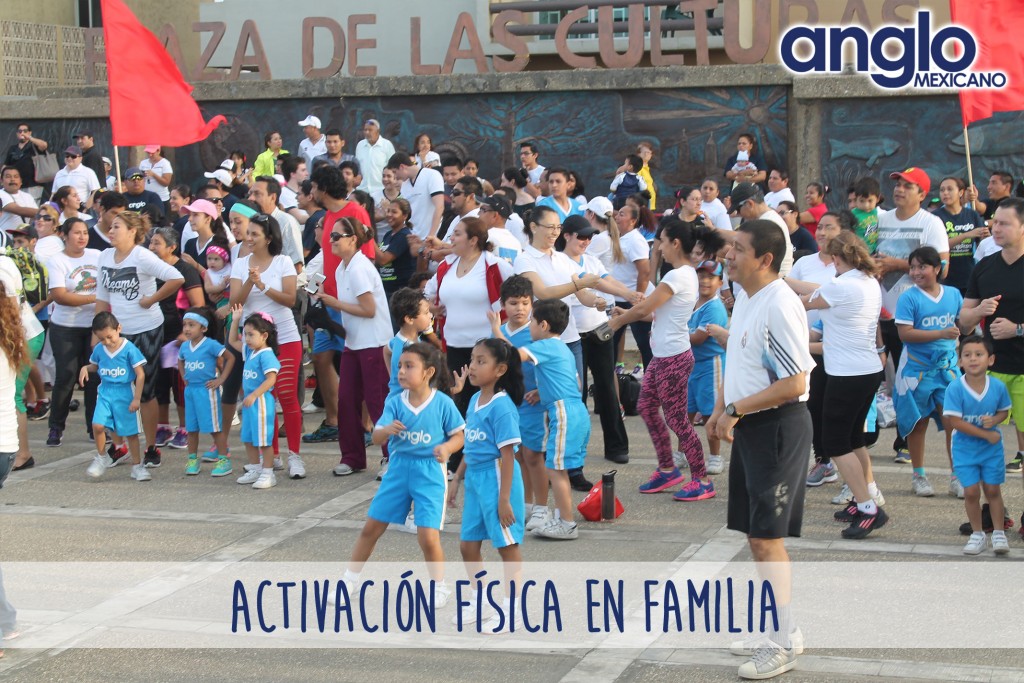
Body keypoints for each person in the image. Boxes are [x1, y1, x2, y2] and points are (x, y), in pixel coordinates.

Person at [706, 219, 813, 680]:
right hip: (751, 423)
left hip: (777, 429)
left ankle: (782, 641)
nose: (728, 255)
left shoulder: (779, 304)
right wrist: (720, 408)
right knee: (755, 536)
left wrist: (734, 408)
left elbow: (795, 383)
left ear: (765, 259)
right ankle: (776, 626)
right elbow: (742, 359)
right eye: (731, 246)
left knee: (768, 539)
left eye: (739, 249)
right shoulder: (747, 297)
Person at [341, 342, 465, 606]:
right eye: (399, 365)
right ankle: (349, 580)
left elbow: (459, 436)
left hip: (429, 473)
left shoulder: (442, 402)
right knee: (372, 527)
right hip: (398, 469)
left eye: (409, 366)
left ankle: (439, 586)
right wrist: (385, 431)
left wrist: (446, 448)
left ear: (428, 372)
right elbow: (376, 436)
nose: (401, 371)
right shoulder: (395, 402)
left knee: (427, 535)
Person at [609, 217, 716, 501]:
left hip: (673, 358)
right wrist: (626, 314)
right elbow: (653, 312)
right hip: (665, 355)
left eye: (662, 243)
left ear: (675, 243)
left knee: (678, 420)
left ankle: (702, 479)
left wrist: (617, 323)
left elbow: (646, 306)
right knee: (645, 406)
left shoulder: (677, 276)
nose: (659, 248)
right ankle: (668, 468)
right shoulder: (684, 274)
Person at [797, 232, 888, 535]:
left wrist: (773, 287)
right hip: (867, 370)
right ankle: (864, 498)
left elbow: (804, 302)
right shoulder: (867, 281)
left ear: (836, 258)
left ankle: (867, 508)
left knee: (835, 442)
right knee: (853, 439)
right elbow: (815, 291)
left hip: (847, 375)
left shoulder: (839, 285)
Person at [447, 337, 526, 629]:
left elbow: (508, 456)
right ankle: (480, 601)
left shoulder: (502, 407)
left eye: (482, 361)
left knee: (507, 547)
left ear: (501, 369)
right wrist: (457, 478)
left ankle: (513, 608)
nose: (474, 366)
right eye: (473, 360)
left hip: (497, 479)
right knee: (468, 546)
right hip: (476, 481)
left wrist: (504, 499)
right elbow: (471, 444)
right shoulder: (473, 400)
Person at [95, 212, 185, 468]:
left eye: (117, 227)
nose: (111, 231)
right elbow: (102, 297)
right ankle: (120, 445)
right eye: (110, 226)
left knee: (145, 392)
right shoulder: (104, 256)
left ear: (133, 231)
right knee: (115, 388)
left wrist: (151, 298)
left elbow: (176, 277)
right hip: (116, 333)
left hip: (146, 329)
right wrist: (97, 333)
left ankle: (150, 447)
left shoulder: (142, 255)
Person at [875, 167, 950, 463]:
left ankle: (904, 442)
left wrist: (897, 264)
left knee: (910, 382)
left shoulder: (931, 224)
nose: (900, 190)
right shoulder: (879, 221)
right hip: (878, 315)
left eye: (908, 186)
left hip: (913, 317)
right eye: (898, 184)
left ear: (922, 194)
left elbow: (943, 269)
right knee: (877, 379)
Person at [424, 218, 514, 461]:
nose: (451, 239)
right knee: (457, 400)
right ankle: (457, 457)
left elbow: (517, 293)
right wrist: (432, 310)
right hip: (453, 345)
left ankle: (489, 452)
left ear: (474, 240)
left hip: (486, 348)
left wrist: (506, 326)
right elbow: (428, 294)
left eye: (457, 234)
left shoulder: (495, 265)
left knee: (485, 401)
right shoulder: (446, 265)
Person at [504, 299, 590, 541]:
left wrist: (493, 330)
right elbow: (576, 383)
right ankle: (562, 519)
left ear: (542, 325)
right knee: (558, 467)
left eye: (531, 321)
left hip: (563, 413)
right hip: (576, 410)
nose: (529, 325)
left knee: (555, 469)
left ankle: (567, 524)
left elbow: (512, 357)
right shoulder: (562, 348)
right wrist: (542, 392)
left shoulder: (544, 345)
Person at [229, 212, 306, 479]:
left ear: (268, 238)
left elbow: (289, 299)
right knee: (264, 399)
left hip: (285, 336)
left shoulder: (283, 261)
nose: (248, 238)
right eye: (247, 233)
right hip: (254, 342)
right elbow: (234, 302)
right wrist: (251, 280)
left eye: (254, 234)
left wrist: (262, 285)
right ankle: (268, 458)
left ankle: (295, 456)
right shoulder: (240, 264)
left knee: (286, 395)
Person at [316, 217, 393, 478]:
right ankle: (352, 457)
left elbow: (369, 310)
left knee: (378, 401)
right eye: (330, 236)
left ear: (353, 239)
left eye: (337, 236)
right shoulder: (342, 268)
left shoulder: (359, 267)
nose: (332, 240)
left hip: (374, 342)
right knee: (347, 399)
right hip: (354, 342)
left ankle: (391, 457)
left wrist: (335, 304)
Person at [558, 215, 633, 470]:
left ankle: (617, 447)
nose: (586, 241)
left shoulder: (591, 260)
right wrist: (613, 297)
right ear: (566, 235)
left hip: (598, 332)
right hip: (571, 336)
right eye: (581, 236)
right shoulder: (559, 262)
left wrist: (630, 293)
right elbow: (589, 290)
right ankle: (574, 452)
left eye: (589, 236)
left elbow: (606, 281)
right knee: (575, 395)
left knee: (607, 389)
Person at [958, 197, 1024, 474]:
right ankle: (991, 511)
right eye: (994, 222)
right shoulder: (984, 267)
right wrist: (979, 312)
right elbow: (963, 322)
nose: (996, 228)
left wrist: (1017, 329)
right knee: (980, 438)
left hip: (1023, 370)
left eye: (1004, 223)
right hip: (990, 369)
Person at [893, 246, 963, 498]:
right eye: (912, 267)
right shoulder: (908, 297)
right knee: (918, 423)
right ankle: (919, 475)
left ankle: (957, 477)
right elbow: (905, 334)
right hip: (916, 371)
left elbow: (963, 322)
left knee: (953, 422)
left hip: (947, 371)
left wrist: (979, 311)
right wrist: (942, 333)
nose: (916, 272)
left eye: (922, 266)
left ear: (937, 268)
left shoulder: (954, 294)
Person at [515, 205, 603, 385]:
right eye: (550, 227)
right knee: (549, 393)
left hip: (571, 338)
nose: (555, 232)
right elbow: (543, 293)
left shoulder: (562, 259)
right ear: (533, 227)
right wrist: (580, 283)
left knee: (576, 391)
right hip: (544, 340)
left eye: (558, 227)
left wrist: (596, 301)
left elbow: (582, 295)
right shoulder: (524, 260)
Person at [784, 213, 841, 488]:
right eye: (819, 227)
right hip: (806, 343)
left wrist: (810, 292)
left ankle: (840, 460)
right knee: (813, 405)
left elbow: (832, 293)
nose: (821, 232)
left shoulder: (845, 267)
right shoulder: (805, 263)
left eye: (829, 227)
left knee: (835, 407)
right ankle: (823, 461)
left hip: (838, 346)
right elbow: (785, 289)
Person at [943, 336, 1011, 555]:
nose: (973, 359)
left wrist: (996, 420)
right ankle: (977, 534)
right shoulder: (955, 388)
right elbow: (955, 422)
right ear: (960, 361)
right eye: (967, 355)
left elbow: (1004, 411)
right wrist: (985, 433)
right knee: (971, 492)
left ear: (990, 360)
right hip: (964, 449)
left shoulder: (998, 386)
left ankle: (999, 533)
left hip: (991, 450)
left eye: (979, 354)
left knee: (992, 489)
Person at [45, 218, 101, 447]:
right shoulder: (57, 260)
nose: (82, 237)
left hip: (94, 328)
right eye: (76, 233)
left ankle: (94, 428)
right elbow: (60, 296)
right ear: (65, 236)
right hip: (65, 327)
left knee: (93, 378)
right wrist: (94, 298)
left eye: (84, 233)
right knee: (66, 377)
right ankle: (56, 428)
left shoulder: (97, 255)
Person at [149, 226, 205, 451]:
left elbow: (199, 305)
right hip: (153, 334)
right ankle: (163, 426)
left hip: (178, 338)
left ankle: (184, 428)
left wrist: (187, 333)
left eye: (157, 243)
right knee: (158, 384)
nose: (152, 248)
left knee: (180, 385)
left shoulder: (184, 270)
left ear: (172, 247)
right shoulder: (148, 269)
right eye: (150, 243)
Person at [81, 311, 148, 482]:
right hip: (105, 392)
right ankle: (102, 457)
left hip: (125, 392)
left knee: (130, 433)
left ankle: (137, 466)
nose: (107, 342)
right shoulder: (99, 349)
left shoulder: (129, 349)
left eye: (109, 337)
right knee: (97, 425)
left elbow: (140, 374)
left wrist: (137, 398)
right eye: (101, 338)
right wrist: (85, 368)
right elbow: (94, 366)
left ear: (119, 328)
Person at [227, 306, 281, 489]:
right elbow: (232, 340)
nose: (247, 339)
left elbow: (271, 379)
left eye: (251, 335)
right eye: (246, 334)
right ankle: (255, 469)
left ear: (264, 335)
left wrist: (255, 395)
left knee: (263, 440)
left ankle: (268, 473)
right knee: (248, 437)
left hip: (261, 403)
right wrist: (235, 320)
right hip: (250, 403)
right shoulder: (250, 351)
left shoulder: (266, 355)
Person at [177, 306, 233, 477]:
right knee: (191, 428)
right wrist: (183, 376)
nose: (187, 328)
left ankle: (224, 459)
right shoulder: (185, 347)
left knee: (215, 428)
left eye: (191, 325)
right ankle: (193, 459)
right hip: (191, 391)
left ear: (203, 328)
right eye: (185, 325)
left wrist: (221, 379)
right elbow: (180, 361)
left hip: (207, 391)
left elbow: (230, 358)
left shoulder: (211, 345)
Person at [687, 259, 729, 474]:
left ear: (720, 282)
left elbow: (698, 338)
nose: (704, 280)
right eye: (701, 275)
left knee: (709, 412)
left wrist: (671, 334)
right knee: (687, 412)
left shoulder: (714, 307)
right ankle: (685, 452)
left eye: (711, 277)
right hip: (692, 365)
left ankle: (715, 456)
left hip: (711, 365)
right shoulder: (694, 301)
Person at [605, 204, 653, 369]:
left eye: (622, 215)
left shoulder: (636, 240)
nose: (617, 217)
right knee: (610, 344)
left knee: (645, 345)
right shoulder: (619, 237)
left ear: (633, 221)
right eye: (618, 214)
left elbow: (645, 272)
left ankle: (650, 383)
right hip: (618, 298)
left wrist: (638, 297)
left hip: (632, 299)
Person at [934, 176, 987, 294]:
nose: (945, 193)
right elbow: (940, 246)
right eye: (942, 190)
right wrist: (966, 235)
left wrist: (985, 236)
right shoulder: (935, 217)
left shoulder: (972, 214)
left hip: (969, 276)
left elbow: (981, 244)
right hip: (945, 278)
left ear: (961, 192)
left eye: (949, 189)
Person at [386, 153, 444, 241]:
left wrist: (431, 236)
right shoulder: (404, 185)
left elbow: (439, 207)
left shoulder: (432, 175)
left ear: (402, 167)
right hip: (413, 239)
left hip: (431, 238)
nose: (395, 177)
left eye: (394, 172)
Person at [375, 197, 415, 298]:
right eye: (388, 211)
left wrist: (369, 239)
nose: (389, 215)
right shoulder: (388, 234)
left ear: (405, 215)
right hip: (387, 290)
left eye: (394, 212)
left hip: (399, 292)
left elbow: (384, 260)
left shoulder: (403, 235)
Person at [4, 123, 48, 199]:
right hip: (15, 185)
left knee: (31, 207)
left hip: (33, 185)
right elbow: (6, 164)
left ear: (30, 132)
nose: (22, 133)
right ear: (17, 133)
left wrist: (29, 138)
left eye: (25, 131)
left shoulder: (34, 146)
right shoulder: (12, 148)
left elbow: (44, 145)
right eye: (20, 131)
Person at [355, 119, 396, 194]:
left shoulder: (387, 145)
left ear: (378, 131)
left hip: (381, 190)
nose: (367, 132)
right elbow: (357, 167)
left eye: (370, 130)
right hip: (362, 190)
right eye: (365, 130)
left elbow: (393, 167)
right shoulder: (360, 145)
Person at [0, 166, 38, 233]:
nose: (12, 179)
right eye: (8, 176)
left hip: (24, 239)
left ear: (21, 181)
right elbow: (18, 210)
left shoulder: (28, 196)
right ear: (1, 181)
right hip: (5, 239)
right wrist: (47, 211)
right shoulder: (1, 194)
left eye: (16, 176)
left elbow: (35, 217)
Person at [850, 177, 882, 253]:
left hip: (874, 251)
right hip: (858, 252)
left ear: (877, 199)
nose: (866, 205)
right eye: (862, 201)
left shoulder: (879, 214)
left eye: (870, 201)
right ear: (856, 199)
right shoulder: (852, 215)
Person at [635, 141, 657, 210]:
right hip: (643, 206)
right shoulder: (637, 168)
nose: (646, 154)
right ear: (638, 154)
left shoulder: (647, 169)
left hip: (650, 206)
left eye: (648, 152)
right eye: (644, 152)